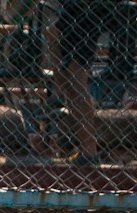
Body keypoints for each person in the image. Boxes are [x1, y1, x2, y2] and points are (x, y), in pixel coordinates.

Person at [53, 0, 120, 164]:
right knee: (68, 77)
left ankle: (89, 151)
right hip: (77, 10)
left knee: (77, 76)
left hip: (85, 9)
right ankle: (85, 148)